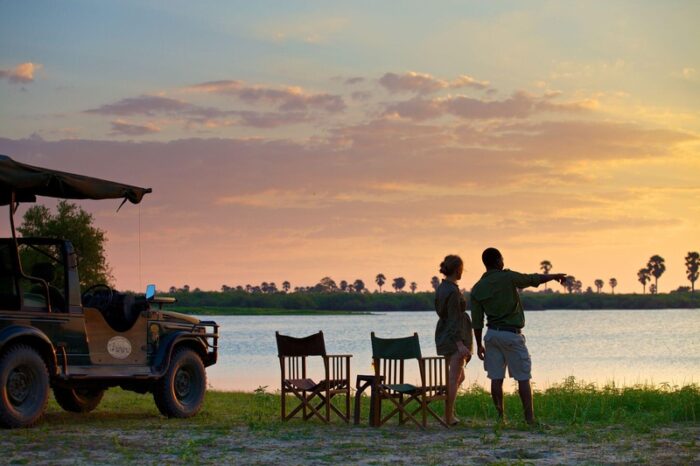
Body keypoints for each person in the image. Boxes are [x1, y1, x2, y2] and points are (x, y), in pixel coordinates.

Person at [470, 248, 566, 425]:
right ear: (498, 261)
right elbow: (531, 279)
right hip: (511, 335)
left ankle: (501, 419)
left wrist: (478, 345)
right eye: (502, 259)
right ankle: (529, 419)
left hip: (491, 335)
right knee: (523, 377)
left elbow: (476, 322)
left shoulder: (477, 288)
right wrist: (554, 276)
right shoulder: (508, 277)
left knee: (496, 378)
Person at [434, 254, 473, 425]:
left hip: (444, 334)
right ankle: (448, 416)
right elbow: (454, 319)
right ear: (458, 270)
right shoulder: (452, 290)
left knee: (459, 377)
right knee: (454, 377)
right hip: (453, 337)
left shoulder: (442, 287)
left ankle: (450, 412)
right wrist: (460, 344)